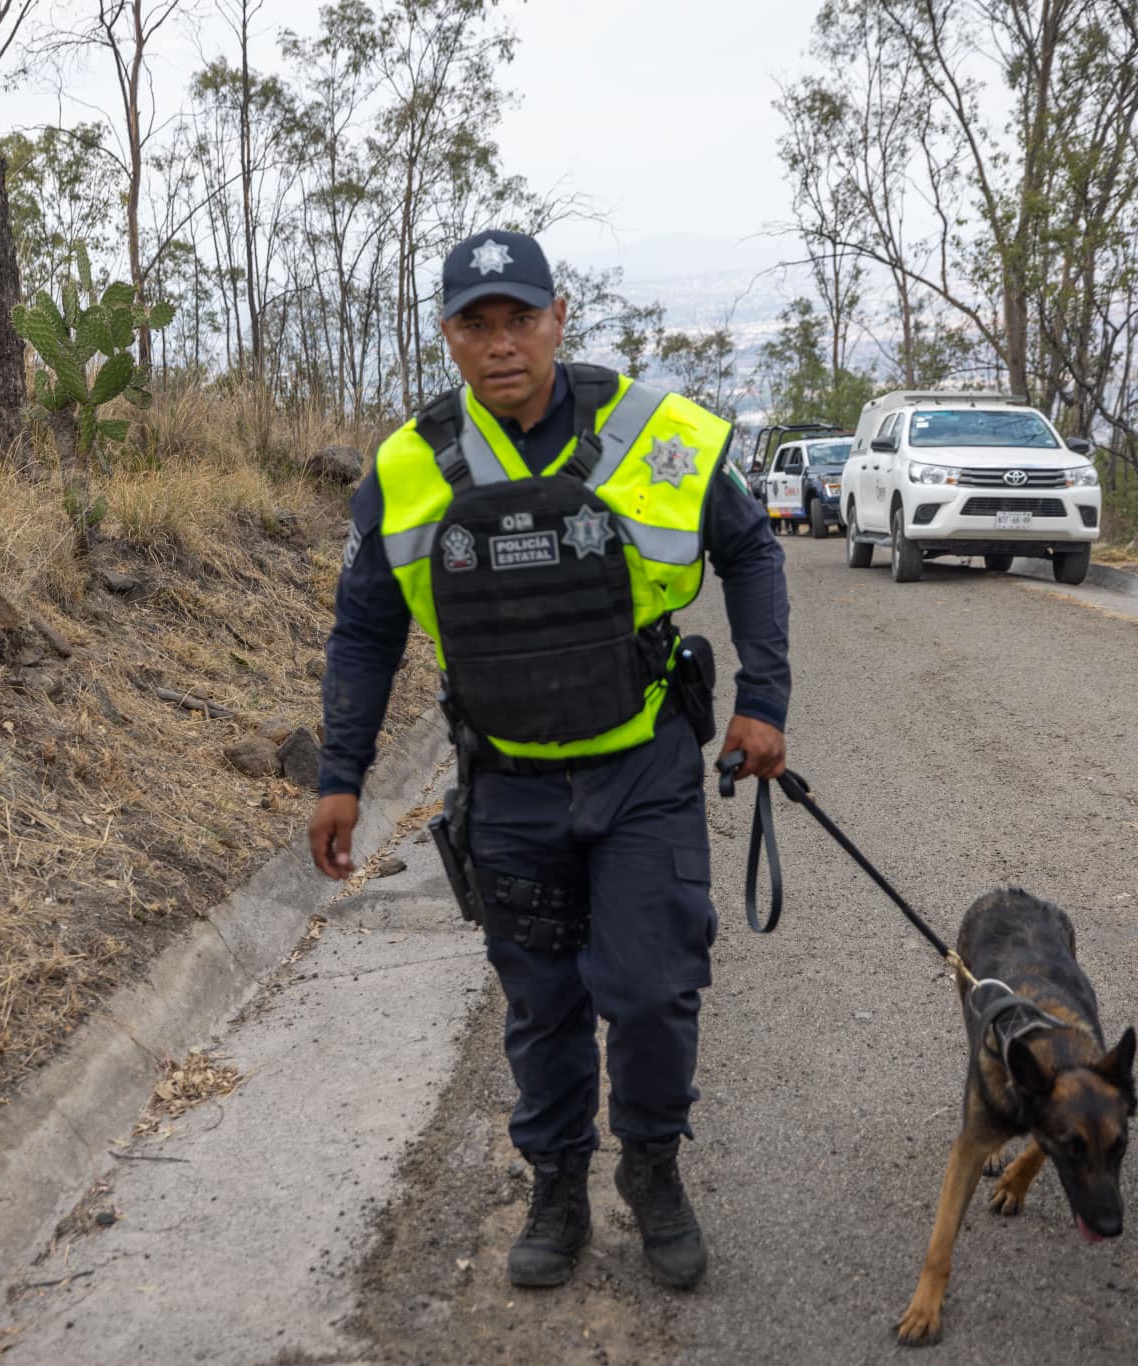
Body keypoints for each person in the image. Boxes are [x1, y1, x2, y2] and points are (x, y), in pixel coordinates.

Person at [306, 229, 791, 1291]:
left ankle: (653, 1167)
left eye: (519, 318)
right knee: (542, 1001)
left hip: (640, 771)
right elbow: (362, 628)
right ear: (447, 337)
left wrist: (763, 699)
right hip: (509, 782)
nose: (500, 344)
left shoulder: (655, 433)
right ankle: (557, 1185)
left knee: (652, 986)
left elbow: (751, 547)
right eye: (475, 325)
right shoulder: (403, 467)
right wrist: (340, 771)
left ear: (557, 317)